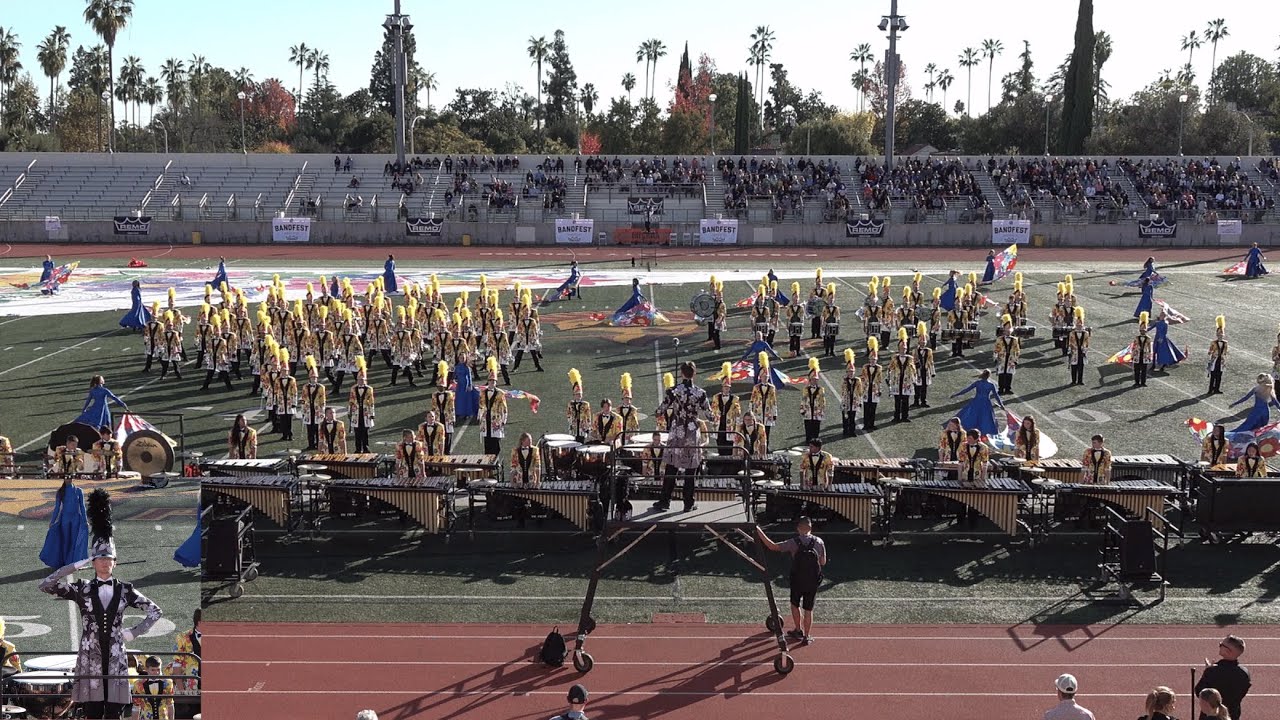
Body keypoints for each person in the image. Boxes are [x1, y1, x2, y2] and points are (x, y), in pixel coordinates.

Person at [39, 489, 163, 720]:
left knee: (115, 712)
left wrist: (134, 633)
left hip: (116, 654)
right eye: (100, 559)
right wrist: (76, 565)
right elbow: (46, 584)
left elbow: (155, 611)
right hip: (90, 656)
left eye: (109, 559)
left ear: (115, 563)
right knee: (92, 712)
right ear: (93, 562)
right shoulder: (82, 587)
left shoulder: (125, 589)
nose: (105, 563)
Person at [756, 517, 827, 646]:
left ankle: (798, 630)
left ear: (798, 528)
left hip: (797, 580)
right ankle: (807, 636)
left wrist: (757, 530)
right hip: (812, 581)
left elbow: (772, 546)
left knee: (795, 604)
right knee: (809, 609)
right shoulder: (820, 542)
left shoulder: (793, 542)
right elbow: (823, 562)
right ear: (811, 528)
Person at [654, 361, 711, 512]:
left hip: (677, 430)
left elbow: (660, 410)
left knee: (672, 466)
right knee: (691, 469)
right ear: (695, 373)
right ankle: (688, 503)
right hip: (692, 432)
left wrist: (660, 411)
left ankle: (665, 501)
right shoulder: (701, 393)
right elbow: (710, 415)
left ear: (681, 373)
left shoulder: (673, 391)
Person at [40, 466, 88, 568]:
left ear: (73, 478)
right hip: (65, 519)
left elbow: (82, 507)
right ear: (64, 479)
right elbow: (57, 508)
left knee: (75, 540)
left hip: (76, 519)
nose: (68, 480)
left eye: (70, 478)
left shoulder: (79, 491)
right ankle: (65, 561)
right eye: (67, 478)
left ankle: (74, 561)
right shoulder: (60, 492)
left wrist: (85, 520)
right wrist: (52, 521)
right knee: (66, 540)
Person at [1195, 635, 1250, 720]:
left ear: (1228, 651)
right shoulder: (1244, 673)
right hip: (1233, 714)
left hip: (1211, 715)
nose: (1219, 646)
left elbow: (1199, 692)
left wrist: (1206, 672)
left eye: (1221, 645)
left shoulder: (1213, 671)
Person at [951, 370, 1004, 437]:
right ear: (989, 376)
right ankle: (984, 431)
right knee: (986, 418)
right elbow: (996, 395)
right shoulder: (991, 385)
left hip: (976, 401)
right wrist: (1001, 405)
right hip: (986, 403)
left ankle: (969, 429)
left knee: (971, 415)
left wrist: (956, 394)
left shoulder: (978, 383)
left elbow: (967, 389)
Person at [131, 654, 175, 720]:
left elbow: (170, 705)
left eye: (158, 669)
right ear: (146, 669)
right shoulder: (138, 684)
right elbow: (136, 707)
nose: (156, 672)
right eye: (153, 670)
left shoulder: (168, 683)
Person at [478, 358, 508, 455]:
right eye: (490, 380)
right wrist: (480, 416)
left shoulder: (500, 393)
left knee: (496, 443)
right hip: (485, 419)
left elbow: (504, 409)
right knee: (487, 442)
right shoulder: (483, 392)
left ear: (496, 382)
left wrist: (503, 420)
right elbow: (480, 405)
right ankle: (487, 460)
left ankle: (496, 461)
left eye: (493, 381)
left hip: (496, 420)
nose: (491, 382)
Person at [886, 331, 917, 423]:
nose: (903, 350)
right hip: (896, 382)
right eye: (902, 348)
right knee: (897, 401)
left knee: (906, 401)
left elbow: (913, 370)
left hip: (906, 383)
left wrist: (914, 380)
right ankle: (896, 417)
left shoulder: (910, 358)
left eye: (905, 348)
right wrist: (888, 379)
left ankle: (905, 416)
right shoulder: (894, 358)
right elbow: (889, 368)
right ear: (898, 349)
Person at [348, 359, 376, 453]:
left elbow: (371, 402)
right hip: (356, 413)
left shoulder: (369, 389)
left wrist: (372, 413)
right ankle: (358, 448)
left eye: (362, 380)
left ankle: (366, 447)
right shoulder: (353, 388)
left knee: (365, 432)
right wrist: (349, 412)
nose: (361, 381)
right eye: (359, 380)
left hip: (365, 413)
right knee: (357, 432)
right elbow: (351, 401)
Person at [710, 370, 742, 453]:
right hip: (719, 424)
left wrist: (737, 411)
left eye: (728, 387)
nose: (726, 389)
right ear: (722, 387)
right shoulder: (716, 397)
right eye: (725, 387)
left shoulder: (735, 398)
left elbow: (738, 412)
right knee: (719, 442)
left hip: (729, 424)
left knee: (729, 443)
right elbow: (713, 409)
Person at [750, 354, 779, 443]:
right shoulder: (756, 387)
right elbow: (752, 400)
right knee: (757, 430)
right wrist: (750, 412)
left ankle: (766, 445)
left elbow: (774, 401)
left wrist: (775, 413)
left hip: (767, 412)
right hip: (757, 412)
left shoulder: (772, 387)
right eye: (763, 377)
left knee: (767, 431)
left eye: (766, 377)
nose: (765, 378)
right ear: (760, 377)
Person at [300, 358, 328, 451]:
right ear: (309, 378)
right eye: (312, 377)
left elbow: (323, 399)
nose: (314, 379)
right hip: (308, 410)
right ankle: (310, 443)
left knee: (317, 427)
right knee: (309, 428)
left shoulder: (321, 387)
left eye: (315, 378)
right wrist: (303, 409)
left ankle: (317, 443)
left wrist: (322, 410)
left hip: (317, 410)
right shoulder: (305, 387)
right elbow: (303, 399)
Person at [430, 363, 457, 452]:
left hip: (447, 417)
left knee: (448, 434)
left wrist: (453, 418)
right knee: (439, 434)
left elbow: (452, 406)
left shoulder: (449, 394)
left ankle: (447, 451)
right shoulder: (434, 395)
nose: (440, 388)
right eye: (438, 386)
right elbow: (433, 407)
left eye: (441, 386)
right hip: (438, 417)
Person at [860, 336, 884, 432]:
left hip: (874, 390)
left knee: (873, 408)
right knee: (866, 408)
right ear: (869, 359)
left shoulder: (879, 368)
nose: (873, 361)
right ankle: (866, 424)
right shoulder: (865, 367)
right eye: (871, 359)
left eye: (874, 359)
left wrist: (880, 390)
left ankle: (872, 424)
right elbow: (862, 378)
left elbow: (880, 380)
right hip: (866, 390)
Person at [800, 358, 826, 443]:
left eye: (816, 380)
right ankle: (808, 439)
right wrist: (802, 409)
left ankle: (815, 440)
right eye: (813, 379)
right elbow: (803, 399)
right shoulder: (806, 389)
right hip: (808, 411)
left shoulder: (821, 389)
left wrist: (822, 411)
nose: (815, 381)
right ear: (810, 380)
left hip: (817, 411)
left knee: (816, 427)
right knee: (808, 426)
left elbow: (823, 401)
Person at [839, 349, 864, 437]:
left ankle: (852, 431)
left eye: (852, 372)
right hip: (846, 401)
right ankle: (845, 431)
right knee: (845, 417)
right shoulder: (844, 380)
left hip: (854, 401)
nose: (850, 373)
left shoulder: (857, 380)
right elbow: (842, 390)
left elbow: (860, 391)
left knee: (852, 417)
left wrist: (859, 401)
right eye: (849, 372)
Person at [993, 317, 1021, 394]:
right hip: (1002, 358)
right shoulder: (999, 339)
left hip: (1010, 359)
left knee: (1009, 374)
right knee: (1001, 374)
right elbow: (996, 349)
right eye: (1006, 329)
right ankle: (1001, 388)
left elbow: (1017, 350)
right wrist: (995, 358)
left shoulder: (1015, 339)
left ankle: (1008, 388)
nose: (1008, 331)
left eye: (1009, 329)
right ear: (1004, 330)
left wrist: (1015, 360)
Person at [566, 370, 592, 443]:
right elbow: (568, 414)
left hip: (582, 428)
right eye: (577, 394)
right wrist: (571, 422)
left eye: (580, 394)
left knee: (581, 443)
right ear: (574, 395)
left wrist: (587, 427)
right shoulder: (570, 403)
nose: (578, 396)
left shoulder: (585, 404)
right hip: (573, 428)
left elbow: (588, 416)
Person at [1067, 308, 1090, 386]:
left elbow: (1087, 343)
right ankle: (1073, 381)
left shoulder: (1086, 333)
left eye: (1081, 324)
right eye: (1078, 324)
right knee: (1074, 367)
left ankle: (1080, 380)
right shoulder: (1072, 333)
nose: (1079, 326)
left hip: (1082, 352)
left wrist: (1085, 350)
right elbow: (1070, 343)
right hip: (1074, 352)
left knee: (1081, 367)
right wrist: (1070, 351)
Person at [1208, 316, 1229, 395]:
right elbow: (1209, 351)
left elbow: (1225, 352)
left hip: (1221, 361)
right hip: (1215, 360)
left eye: (1222, 333)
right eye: (1219, 333)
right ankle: (1210, 389)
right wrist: (1213, 352)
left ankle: (1217, 388)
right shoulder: (1213, 342)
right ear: (1216, 334)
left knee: (1219, 375)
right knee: (1213, 375)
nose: (1220, 334)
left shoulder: (1225, 343)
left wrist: (1224, 359)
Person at [1134, 312, 1154, 387]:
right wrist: (1133, 354)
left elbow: (1150, 347)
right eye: (1141, 329)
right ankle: (1136, 382)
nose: (1142, 331)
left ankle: (1143, 382)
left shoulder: (1149, 338)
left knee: (1144, 370)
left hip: (1145, 355)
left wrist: (1150, 355)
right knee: (1137, 369)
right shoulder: (1137, 337)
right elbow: (1134, 346)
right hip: (1137, 355)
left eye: (1144, 329)